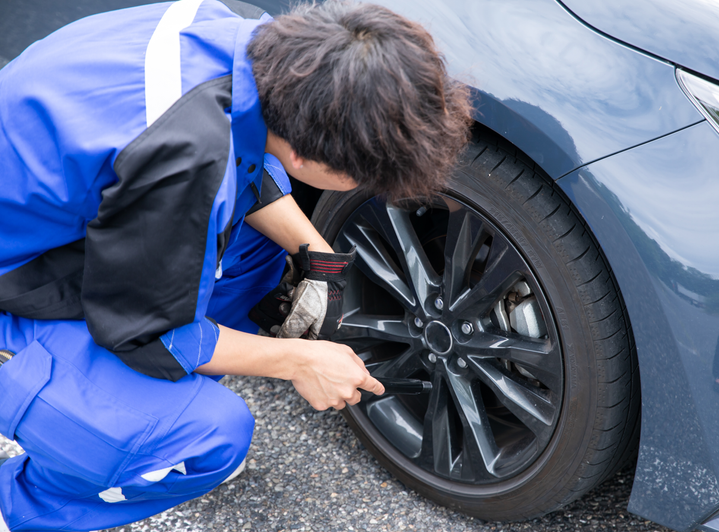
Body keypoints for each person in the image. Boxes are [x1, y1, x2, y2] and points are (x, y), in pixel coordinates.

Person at [0, 0, 473, 530]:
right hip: (12, 290)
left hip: (57, 226)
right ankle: (23, 504)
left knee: (257, 248)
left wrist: (318, 256)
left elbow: (239, 161)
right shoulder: (184, 159)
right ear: (306, 157)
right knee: (210, 436)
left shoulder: (250, 41)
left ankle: (144, 396)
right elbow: (145, 335)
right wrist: (298, 362)